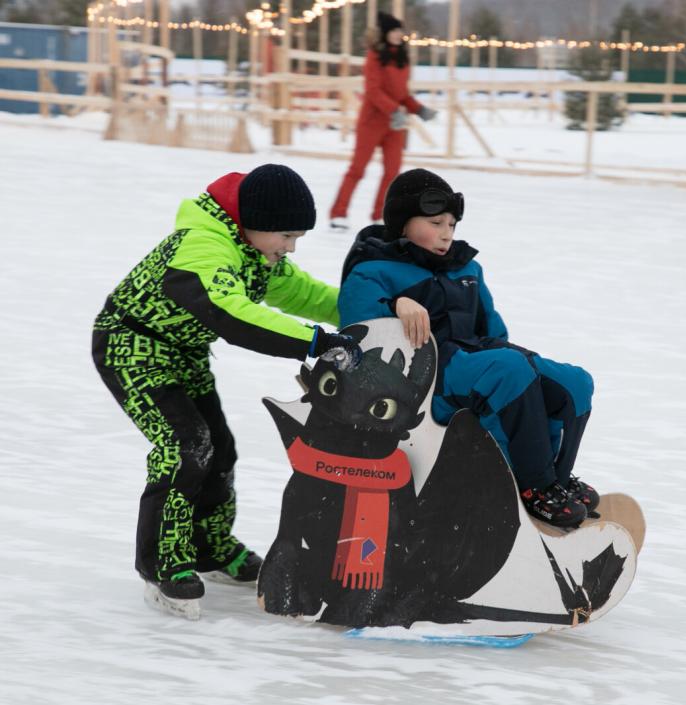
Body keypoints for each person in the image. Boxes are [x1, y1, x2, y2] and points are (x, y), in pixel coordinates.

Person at [92, 164, 360, 610]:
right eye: (286, 237)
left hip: (183, 354)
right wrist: (314, 340)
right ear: (256, 224)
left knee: (219, 448)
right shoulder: (204, 246)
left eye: (297, 239)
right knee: (184, 447)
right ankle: (161, 565)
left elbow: (309, 295)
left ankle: (208, 548)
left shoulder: (257, 252)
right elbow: (229, 312)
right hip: (131, 348)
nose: (290, 249)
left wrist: (371, 315)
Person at [337, 169, 598, 528]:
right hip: (420, 381)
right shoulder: (372, 270)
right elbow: (360, 337)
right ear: (402, 223)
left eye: (452, 224)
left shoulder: (466, 267)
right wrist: (396, 305)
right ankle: (529, 486)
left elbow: (493, 329)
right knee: (508, 370)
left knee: (574, 383)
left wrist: (515, 362)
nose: (446, 233)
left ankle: (554, 476)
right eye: (435, 222)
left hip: (472, 362)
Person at [329, 12, 437, 231]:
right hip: (372, 121)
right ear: (386, 33)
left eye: (401, 31)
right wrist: (395, 109)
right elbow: (373, 91)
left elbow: (402, 93)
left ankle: (380, 214)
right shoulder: (375, 57)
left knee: (392, 172)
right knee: (357, 169)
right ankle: (338, 213)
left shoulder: (402, 59)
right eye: (395, 31)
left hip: (395, 124)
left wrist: (418, 109)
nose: (399, 35)